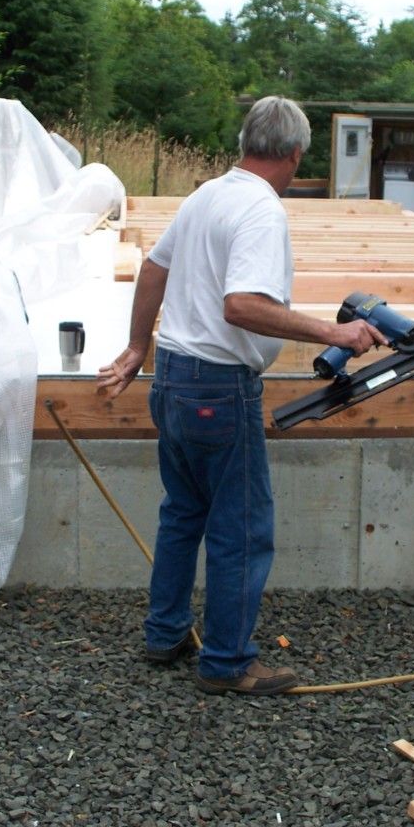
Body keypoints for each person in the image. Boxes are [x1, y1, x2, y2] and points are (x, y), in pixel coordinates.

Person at [96, 96, 384, 695]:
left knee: (183, 513)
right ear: (296, 153)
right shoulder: (260, 210)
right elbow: (242, 305)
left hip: (173, 378)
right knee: (242, 529)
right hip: (218, 390)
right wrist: (334, 333)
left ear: (246, 142)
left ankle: (165, 633)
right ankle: (227, 663)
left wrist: (137, 347)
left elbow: (154, 269)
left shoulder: (206, 195)